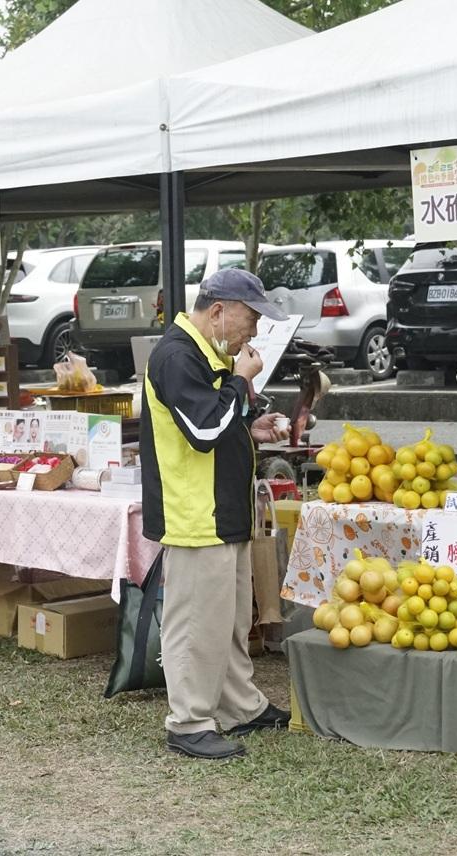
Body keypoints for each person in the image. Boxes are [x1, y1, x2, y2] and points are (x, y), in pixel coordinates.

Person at [141, 268, 292, 761]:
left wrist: (251, 428)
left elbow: (217, 424)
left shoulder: (205, 355)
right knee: (195, 623)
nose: (253, 332)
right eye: (250, 319)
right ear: (219, 311)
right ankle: (188, 722)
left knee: (227, 618)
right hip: (194, 514)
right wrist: (242, 382)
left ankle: (239, 706)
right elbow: (203, 430)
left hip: (222, 508)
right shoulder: (176, 356)